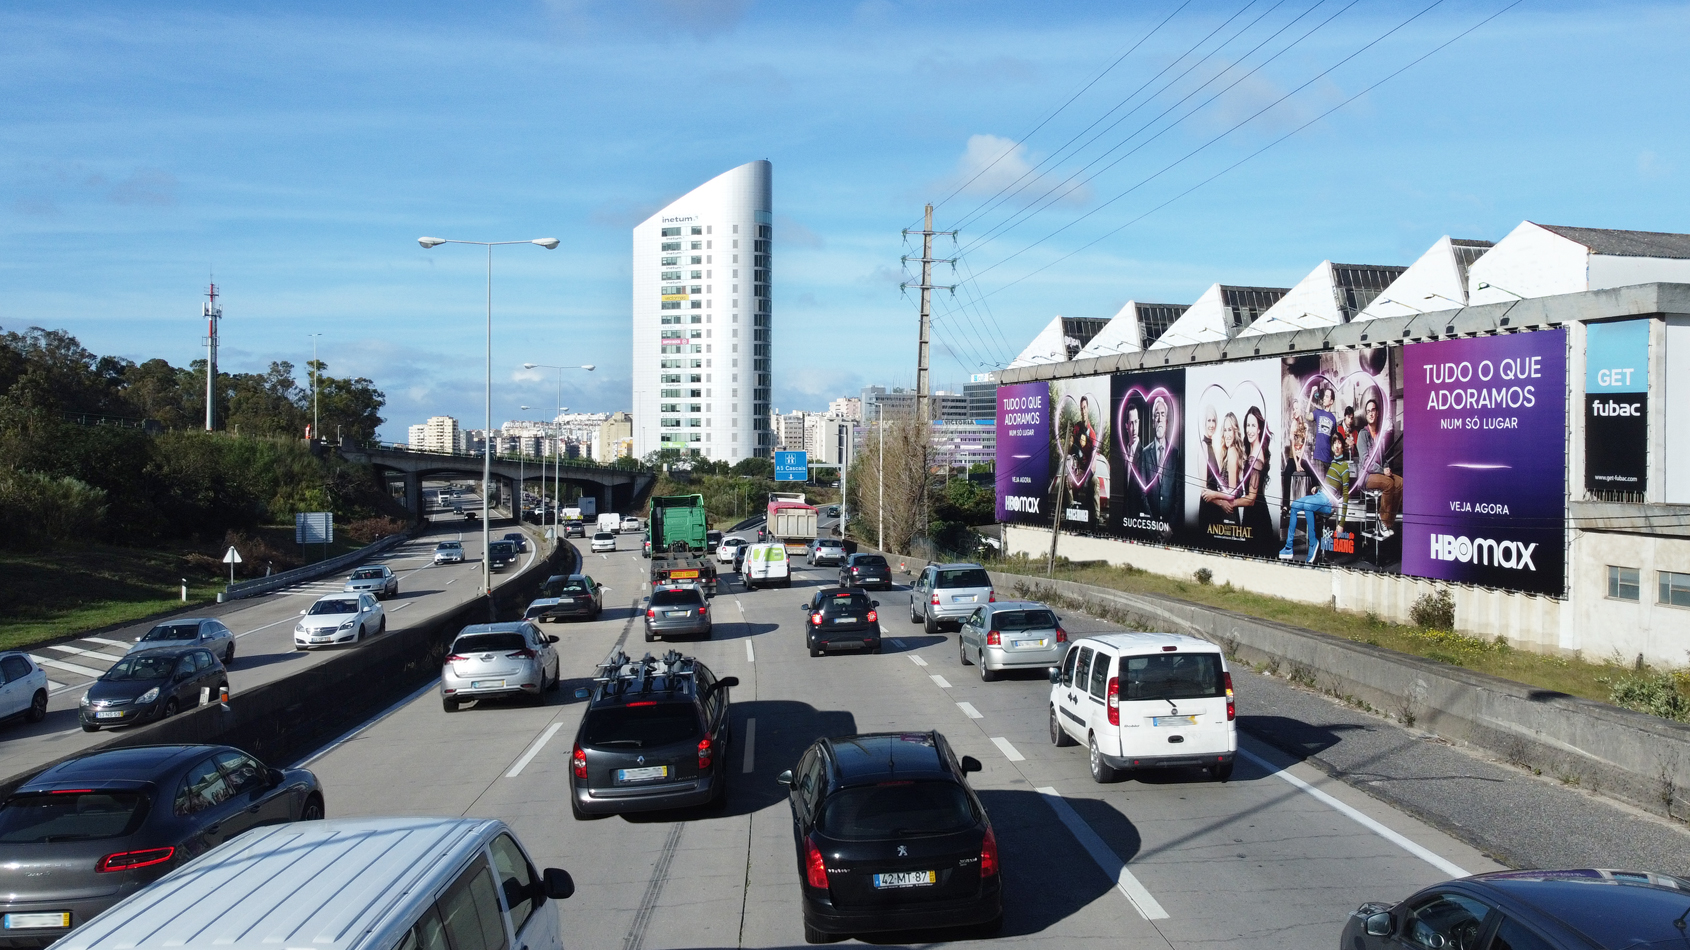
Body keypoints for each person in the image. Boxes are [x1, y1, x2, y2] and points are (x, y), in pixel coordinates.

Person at [1281, 427, 1353, 564]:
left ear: (1342, 446)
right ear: (1332, 447)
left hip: (1329, 503)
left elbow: (1345, 495)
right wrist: (1318, 487)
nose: (1337, 446)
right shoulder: (1333, 463)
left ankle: (1313, 544)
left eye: (1339, 443)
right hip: (1321, 495)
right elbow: (1331, 486)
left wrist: (1341, 523)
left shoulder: (1344, 466)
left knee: (1308, 505)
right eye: (1334, 443)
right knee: (1294, 505)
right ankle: (1289, 547)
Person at [1353, 387, 1402, 539]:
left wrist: (1386, 467)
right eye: (1368, 411)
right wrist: (1382, 471)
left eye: (1373, 410)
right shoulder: (1363, 434)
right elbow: (1366, 463)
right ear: (1365, 414)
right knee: (1388, 483)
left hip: (1379, 473)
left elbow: (1383, 458)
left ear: (1378, 412)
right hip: (1366, 476)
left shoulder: (1379, 435)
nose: (1371, 413)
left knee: (1400, 483)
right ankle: (1383, 521)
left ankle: (1388, 522)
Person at [1137, 395, 1178, 525]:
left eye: (1162, 414)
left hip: (1170, 529)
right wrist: (1152, 525)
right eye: (1156, 415)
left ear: (1166, 421)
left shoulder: (1175, 454)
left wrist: (1169, 527)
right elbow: (1142, 493)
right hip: (1150, 526)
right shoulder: (1144, 454)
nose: (1159, 419)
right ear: (1153, 422)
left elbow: (1179, 495)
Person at [1309, 385, 1337, 482]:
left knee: (1328, 487)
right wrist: (1311, 394)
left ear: (1331, 401)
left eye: (1327, 396)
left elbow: (1334, 439)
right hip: (1319, 457)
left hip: (1329, 458)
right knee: (1320, 486)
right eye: (1324, 396)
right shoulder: (1318, 413)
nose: (1324, 398)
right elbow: (1306, 415)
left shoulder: (1333, 418)